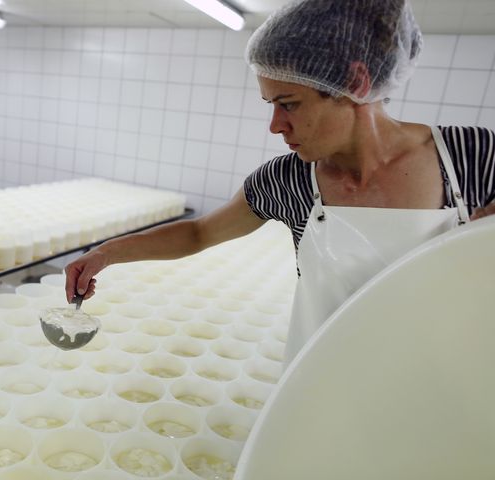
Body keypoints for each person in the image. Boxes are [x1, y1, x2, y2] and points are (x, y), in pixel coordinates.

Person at [65, 0, 495, 366]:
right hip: (319, 381)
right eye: (271, 104)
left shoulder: (472, 157)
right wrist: (105, 254)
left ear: (355, 82)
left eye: (289, 104)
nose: (275, 125)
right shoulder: (288, 180)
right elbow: (199, 232)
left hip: (442, 380)